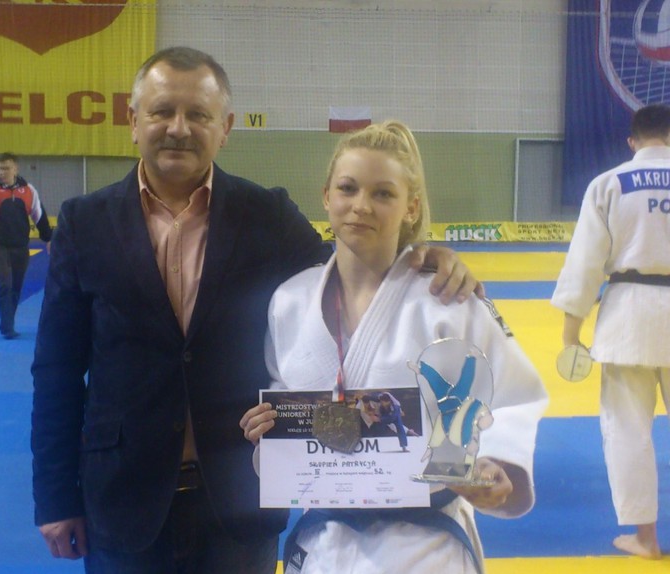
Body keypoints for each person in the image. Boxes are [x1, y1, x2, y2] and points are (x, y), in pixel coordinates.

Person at [31, 47, 483, 574]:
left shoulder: (267, 215)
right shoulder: (84, 223)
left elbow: (350, 275)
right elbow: (57, 371)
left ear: (224, 128)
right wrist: (55, 498)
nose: (179, 128)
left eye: (198, 114)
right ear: (133, 122)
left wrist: (421, 259)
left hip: (239, 500)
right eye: (162, 112)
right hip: (123, 497)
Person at [240, 120, 548, 573]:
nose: (361, 205)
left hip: (424, 547)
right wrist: (267, 432)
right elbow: (282, 399)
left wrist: (493, 461)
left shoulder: (448, 301)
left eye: (383, 193)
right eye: (348, 188)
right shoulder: (289, 301)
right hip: (324, 543)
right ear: (326, 196)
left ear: (411, 206)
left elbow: (514, 394)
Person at [551, 103, 670, 560]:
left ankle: (646, 538)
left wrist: (570, 337)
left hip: (629, 319)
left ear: (632, 142)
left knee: (627, 430)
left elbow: (584, 264)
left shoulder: (609, 184)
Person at [0, 152, 51, 339]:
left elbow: (39, 216)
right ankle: (7, 327)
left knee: (16, 287)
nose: (2, 172)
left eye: (6, 168)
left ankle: (8, 322)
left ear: (15, 169)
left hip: (21, 246)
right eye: (0, 168)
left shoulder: (29, 191)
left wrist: (48, 238)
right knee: (5, 283)